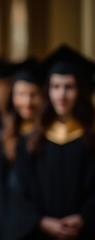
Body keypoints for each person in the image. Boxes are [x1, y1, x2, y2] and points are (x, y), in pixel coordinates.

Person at [18, 45, 95, 239]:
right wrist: (41, 221)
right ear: (47, 90)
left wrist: (84, 217)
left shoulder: (91, 139)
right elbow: (19, 191)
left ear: (80, 91)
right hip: (41, 234)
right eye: (55, 86)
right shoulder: (31, 141)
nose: (61, 95)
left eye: (69, 87)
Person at [0, 58, 44, 240]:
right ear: (12, 96)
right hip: (10, 226)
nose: (27, 101)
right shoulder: (0, 138)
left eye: (33, 94)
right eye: (20, 94)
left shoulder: (50, 138)